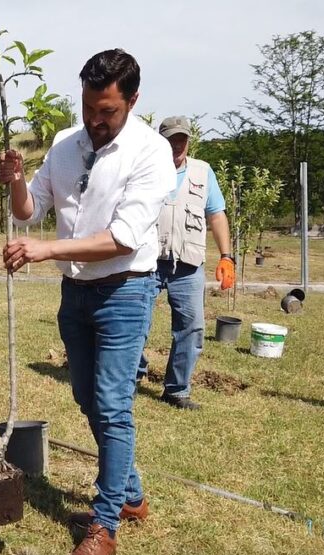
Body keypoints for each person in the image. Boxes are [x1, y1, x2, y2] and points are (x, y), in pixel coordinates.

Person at [0, 49, 174, 555]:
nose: (95, 121)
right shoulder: (64, 145)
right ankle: (130, 494)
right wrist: (14, 180)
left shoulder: (151, 151)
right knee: (86, 396)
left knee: (113, 403)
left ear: (133, 101)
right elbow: (30, 210)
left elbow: (121, 239)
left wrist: (46, 251)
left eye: (108, 112)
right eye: (89, 107)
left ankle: (105, 524)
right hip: (75, 294)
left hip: (125, 291)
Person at [138, 116, 235, 410]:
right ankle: (131, 379)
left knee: (191, 327)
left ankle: (177, 390)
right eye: (170, 139)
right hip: (147, 263)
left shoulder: (203, 172)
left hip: (188, 265)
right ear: (161, 141)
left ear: (188, 141)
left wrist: (226, 256)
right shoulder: (146, 169)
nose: (176, 145)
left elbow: (216, 214)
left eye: (181, 139)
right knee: (135, 323)